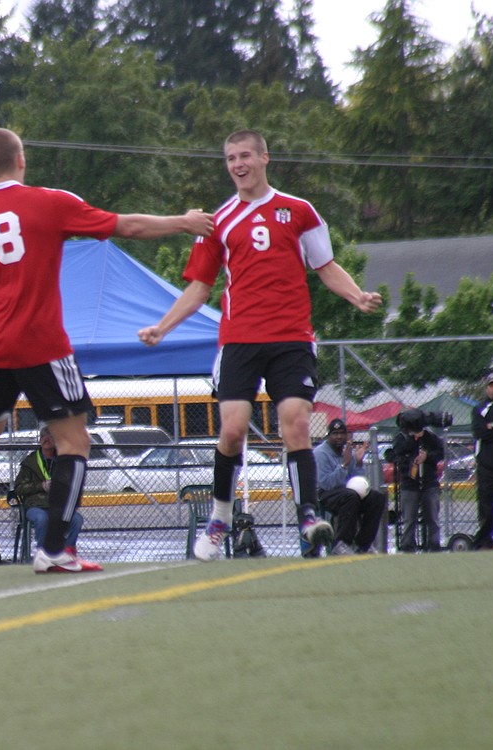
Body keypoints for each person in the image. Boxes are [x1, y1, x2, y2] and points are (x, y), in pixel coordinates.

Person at [0, 127, 212, 574]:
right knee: (75, 442)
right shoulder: (50, 202)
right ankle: (54, 548)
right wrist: (183, 223)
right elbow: (126, 225)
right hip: (41, 342)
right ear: (22, 160)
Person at [138, 129, 383, 561]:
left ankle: (309, 516)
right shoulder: (219, 220)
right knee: (232, 430)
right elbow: (199, 288)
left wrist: (356, 295)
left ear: (264, 157)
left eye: (245, 155)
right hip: (240, 339)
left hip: (291, 337)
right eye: (231, 157)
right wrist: (163, 327)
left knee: (296, 421)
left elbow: (326, 267)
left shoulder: (299, 211)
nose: (238, 164)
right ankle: (219, 520)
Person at [313, 418, 387, 555]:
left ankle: (363, 545)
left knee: (377, 498)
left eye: (342, 433)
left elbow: (358, 481)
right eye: (335, 434)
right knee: (350, 497)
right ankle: (341, 543)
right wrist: (343, 465)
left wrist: (358, 463)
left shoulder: (347, 452)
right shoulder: (320, 453)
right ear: (328, 436)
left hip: (347, 492)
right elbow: (326, 483)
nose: (339, 437)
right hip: (327, 493)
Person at [13, 424, 85, 554]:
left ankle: (67, 552)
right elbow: (19, 488)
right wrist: (41, 486)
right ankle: (44, 554)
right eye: (43, 437)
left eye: (50, 437)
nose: (46, 440)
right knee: (42, 519)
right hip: (36, 506)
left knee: (77, 519)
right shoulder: (30, 462)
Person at [392, 411, 444, 552]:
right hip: (410, 484)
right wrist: (412, 440)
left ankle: (434, 545)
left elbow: (440, 453)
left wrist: (427, 457)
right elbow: (398, 452)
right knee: (409, 519)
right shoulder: (401, 438)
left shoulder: (430, 437)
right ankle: (408, 546)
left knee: (432, 517)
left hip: (429, 482)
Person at [472, 372, 493, 549]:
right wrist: (489, 429)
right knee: (486, 507)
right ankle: (485, 541)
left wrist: (492, 426)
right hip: (487, 466)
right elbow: (480, 432)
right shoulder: (480, 409)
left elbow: (489, 431)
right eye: (492, 385)